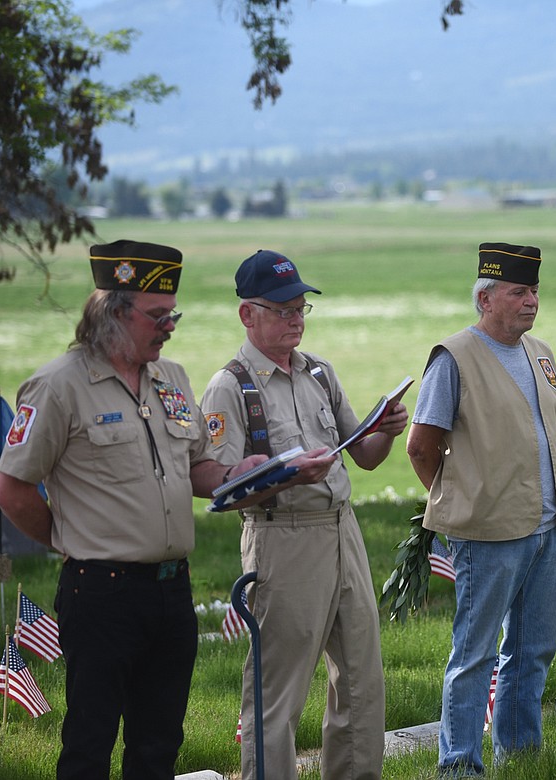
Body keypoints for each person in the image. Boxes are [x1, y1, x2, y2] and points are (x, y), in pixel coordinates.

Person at [0, 240, 334, 780]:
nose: (169, 324)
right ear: (112, 313)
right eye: (157, 315)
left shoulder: (171, 378)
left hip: (172, 591)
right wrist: (68, 541)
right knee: (89, 743)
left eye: (172, 312)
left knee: (158, 746)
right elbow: (10, 490)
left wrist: (240, 474)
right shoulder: (60, 385)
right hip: (100, 592)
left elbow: (198, 467)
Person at [200, 249, 407, 780]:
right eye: (283, 309)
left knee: (361, 681)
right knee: (279, 690)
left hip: (343, 528)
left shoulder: (319, 371)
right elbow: (220, 492)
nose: (296, 318)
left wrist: (385, 427)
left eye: (301, 308)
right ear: (249, 314)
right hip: (282, 538)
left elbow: (362, 457)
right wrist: (288, 476)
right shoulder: (231, 386)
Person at [406, 242, 556, 776]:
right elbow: (421, 447)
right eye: (518, 291)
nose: (531, 301)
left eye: (534, 290)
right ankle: (459, 766)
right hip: (487, 536)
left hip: (546, 529)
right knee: (473, 657)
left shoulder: (540, 352)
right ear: (486, 298)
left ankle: (520, 757)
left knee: (532, 651)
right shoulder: (454, 357)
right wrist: (459, 505)